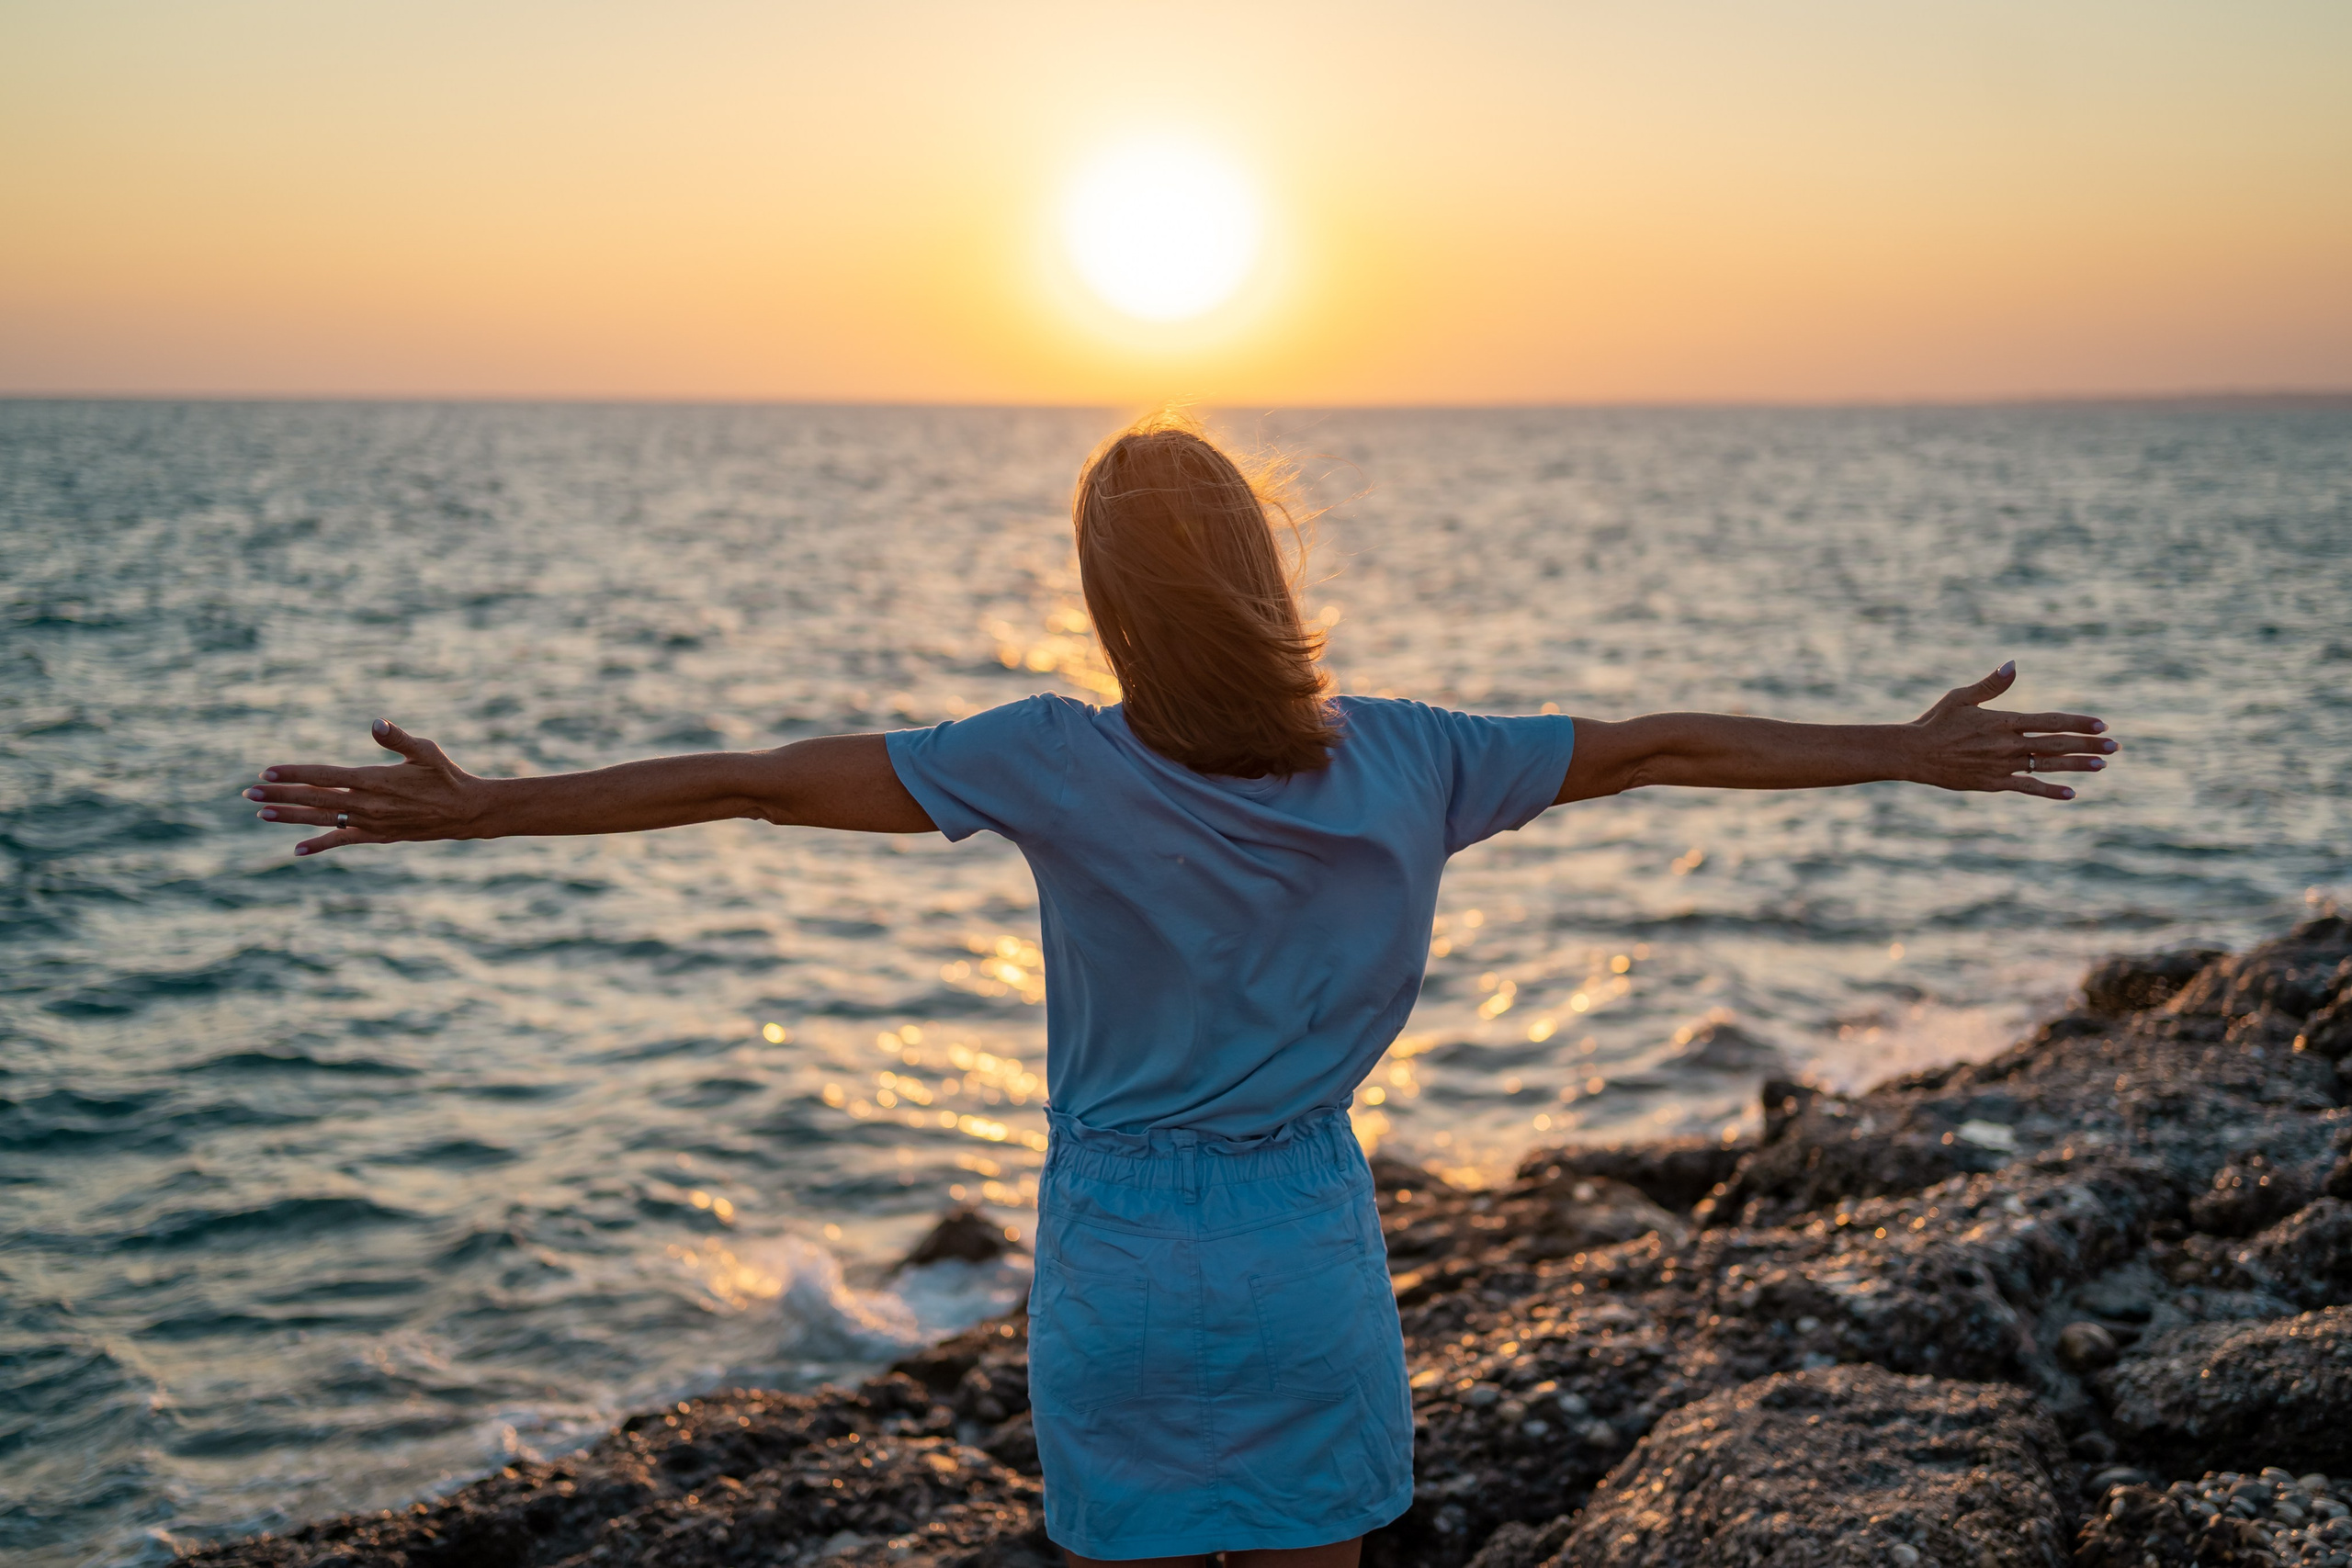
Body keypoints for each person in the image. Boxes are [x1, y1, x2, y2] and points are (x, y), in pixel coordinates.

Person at [243, 412, 2116, 1566]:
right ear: (1263, 571)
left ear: (1105, 597)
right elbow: (1661, 745)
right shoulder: (1410, 757)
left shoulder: (1048, 756)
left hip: (1117, 1263)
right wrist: (1898, 747)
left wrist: (483, 807)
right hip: (1305, 1251)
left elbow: (741, 776)